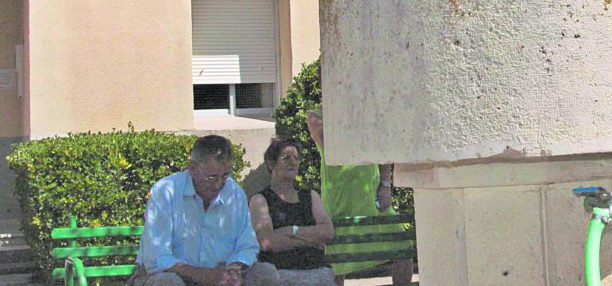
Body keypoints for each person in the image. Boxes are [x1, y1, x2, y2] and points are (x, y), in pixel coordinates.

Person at [131, 135, 279, 286]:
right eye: (211, 177)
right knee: (167, 282)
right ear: (192, 168)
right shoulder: (166, 191)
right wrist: (204, 275)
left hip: (220, 274)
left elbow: (247, 245)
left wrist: (234, 269)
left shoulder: (234, 193)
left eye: (225, 176)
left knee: (266, 273)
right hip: (172, 275)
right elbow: (156, 258)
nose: (218, 185)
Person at [305, 108, 414, 286]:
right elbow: (330, 142)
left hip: (372, 197)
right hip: (339, 198)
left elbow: (384, 147)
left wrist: (385, 184)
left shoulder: (367, 109)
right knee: (337, 265)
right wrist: (363, 121)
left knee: (403, 249)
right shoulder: (316, 115)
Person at [249, 138, 335, 286]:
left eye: (296, 158)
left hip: (318, 271)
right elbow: (268, 242)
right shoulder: (260, 200)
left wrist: (290, 231)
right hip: (280, 274)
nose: (293, 162)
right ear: (271, 163)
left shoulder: (310, 196)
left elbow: (327, 232)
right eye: (286, 157)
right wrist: (311, 240)